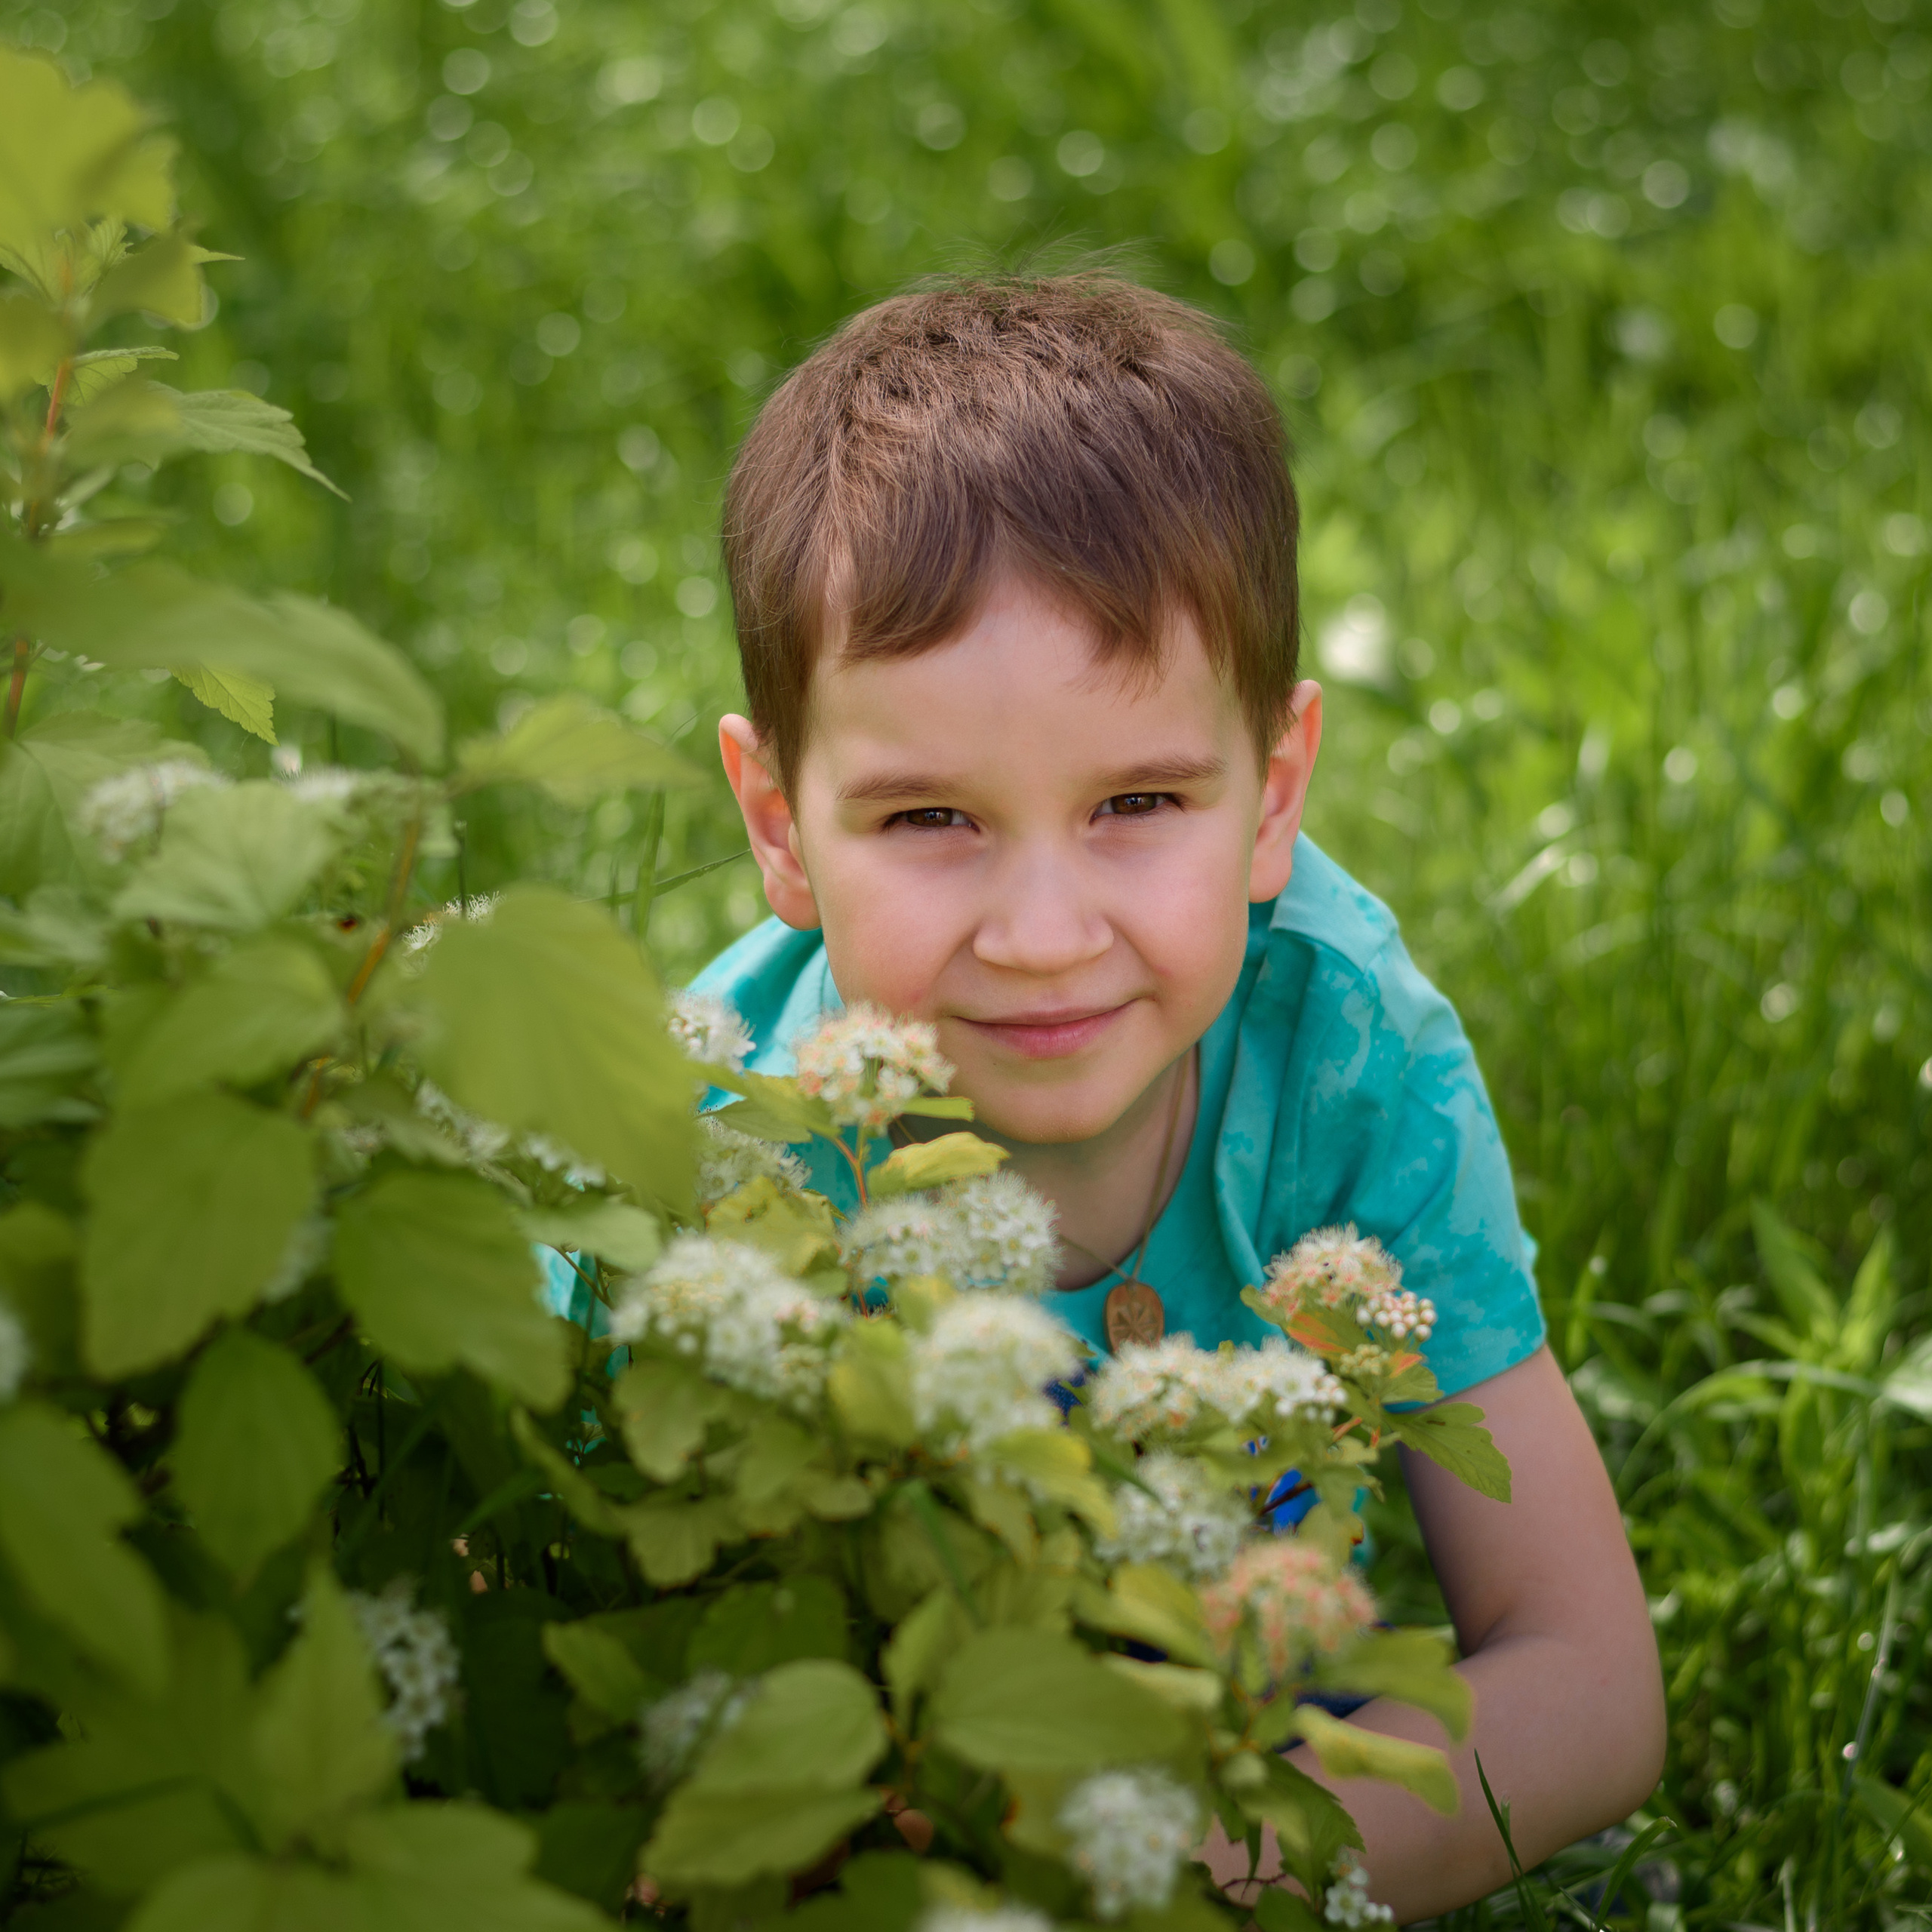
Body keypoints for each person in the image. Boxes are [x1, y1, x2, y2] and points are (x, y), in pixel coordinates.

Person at [688, 272, 1664, 1922]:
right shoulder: (712, 1171)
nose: (1045, 934)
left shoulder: (1348, 1061)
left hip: (1246, 1776)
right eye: (929, 818)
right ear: (779, 825)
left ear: (1272, 795)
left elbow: (1587, 1678)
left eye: (1136, 801)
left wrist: (1183, 1880)